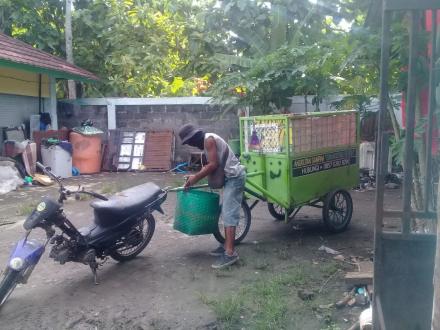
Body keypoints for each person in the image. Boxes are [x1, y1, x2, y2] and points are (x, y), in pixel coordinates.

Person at [178, 124, 245, 269]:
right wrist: (194, 176)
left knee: (228, 213)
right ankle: (227, 244)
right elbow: (210, 166)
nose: (191, 145)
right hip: (228, 177)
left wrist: (195, 178)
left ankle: (230, 253)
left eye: (190, 142)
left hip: (234, 177)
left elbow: (213, 165)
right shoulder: (208, 140)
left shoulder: (208, 140)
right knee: (224, 211)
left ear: (195, 137)